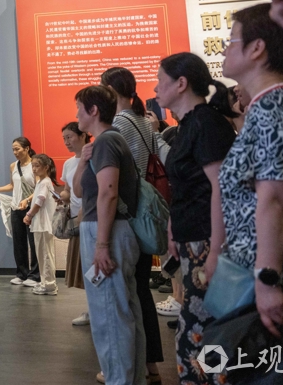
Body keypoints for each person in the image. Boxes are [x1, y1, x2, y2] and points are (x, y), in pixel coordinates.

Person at [215, 4, 283, 350]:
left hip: (273, 283)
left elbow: (276, 200)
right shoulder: (275, 103)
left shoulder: (272, 107)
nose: (225, 49)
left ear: (257, 48)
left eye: (231, 40)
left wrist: (267, 281)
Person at [153, 52, 237, 384]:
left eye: (160, 81)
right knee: (196, 333)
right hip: (194, 240)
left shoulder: (206, 123)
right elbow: (187, 186)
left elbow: (221, 188)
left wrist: (215, 250)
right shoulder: (191, 124)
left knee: (201, 334)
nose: (156, 88)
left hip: (207, 240)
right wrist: (174, 227)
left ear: (181, 83)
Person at [72, 85, 146, 385]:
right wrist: (82, 161)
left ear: (93, 110)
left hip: (107, 231)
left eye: (79, 108)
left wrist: (102, 244)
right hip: (107, 230)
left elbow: (108, 192)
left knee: (110, 315)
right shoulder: (101, 143)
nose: (76, 114)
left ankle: (119, 379)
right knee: (121, 309)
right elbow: (79, 191)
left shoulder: (107, 141)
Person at [100, 67, 164, 383]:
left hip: (128, 213)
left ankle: (130, 366)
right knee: (140, 290)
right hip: (144, 212)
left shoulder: (121, 124)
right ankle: (150, 364)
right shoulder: (141, 119)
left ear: (112, 90)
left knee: (126, 294)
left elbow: (116, 176)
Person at [0, 137, 40, 287]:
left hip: (31, 208)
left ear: (27, 148)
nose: (15, 152)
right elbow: (13, 185)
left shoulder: (35, 165)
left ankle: (35, 275)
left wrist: (28, 200)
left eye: (17, 149)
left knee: (34, 242)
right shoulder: (13, 166)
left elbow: (39, 187)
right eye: (13, 149)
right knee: (18, 243)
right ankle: (21, 274)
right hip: (16, 207)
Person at [60, 122, 91, 325]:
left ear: (83, 135)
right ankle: (92, 308)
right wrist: (62, 197)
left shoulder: (93, 157)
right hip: (76, 221)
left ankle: (96, 310)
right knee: (83, 267)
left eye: (69, 137)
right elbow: (67, 190)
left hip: (91, 217)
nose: (66, 142)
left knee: (92, 266)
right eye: (64, 138)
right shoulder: (69, 163)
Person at [24, 154, 59, 296]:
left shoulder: (45, 182)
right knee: (41, 253)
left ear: (46, 167)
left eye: (37, 165)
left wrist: (29, 215)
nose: (34, 168)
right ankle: (45, 282)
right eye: (33, 165)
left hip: (44, 224)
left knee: (45, 254)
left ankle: (49, 284)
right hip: (40, 224)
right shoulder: (41, 182)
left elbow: (40, 200)